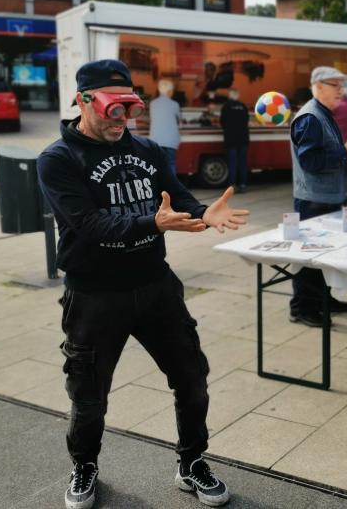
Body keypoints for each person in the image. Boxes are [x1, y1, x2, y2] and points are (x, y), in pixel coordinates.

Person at [37, 59, 250, 509]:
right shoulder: (57, 160)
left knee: (192, 379)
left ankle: (191, 463)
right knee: (89, 395)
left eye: (129, 109)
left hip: (156, 288)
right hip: (94, 296)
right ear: (83, 100)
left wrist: (203, 212)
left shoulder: (148, 151)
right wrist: (153, 223)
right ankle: (85, 464)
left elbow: (177, 194)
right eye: (112, 109)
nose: (121, 121)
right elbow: (89, 224)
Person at [289, 66, 347, 326]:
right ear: (318, 86)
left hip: (327, 197)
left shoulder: (323, 113)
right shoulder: (310, 117)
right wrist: (345, 150)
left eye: (342, 86)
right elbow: (310, 162)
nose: (342, 92)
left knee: (324, 256)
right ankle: (302, 308)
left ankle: (323, 299)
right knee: (309, 258)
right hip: (314, 200)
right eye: (336, 85)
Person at [148, 79, 181, 175]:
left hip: (156, 140)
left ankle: (159, 187)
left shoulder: (152, 104)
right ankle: (171, 188)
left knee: (158, 166)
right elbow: (179, 120)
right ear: (170, 91)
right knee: (170, 164)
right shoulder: (175, 104)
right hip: (170, 140)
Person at [220, 89, 251, 192]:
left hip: (231, 139)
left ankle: (232, 186)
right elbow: (247, 120)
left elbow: (222, 122)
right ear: (238, 96)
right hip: (243, 138)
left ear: (229, 95)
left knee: (232, 163)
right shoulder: (243, 106)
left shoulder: (226, 106)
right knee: (242, 163)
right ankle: (243, 184)